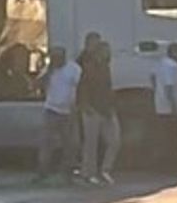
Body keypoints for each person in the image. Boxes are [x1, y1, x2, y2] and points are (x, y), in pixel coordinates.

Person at [37, 46, 82, 184]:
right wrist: (48, 72)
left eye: (58, 57)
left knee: (70, 143)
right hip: (51, 109)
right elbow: (38, 84)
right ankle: (43, 172)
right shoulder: (50, 70)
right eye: (54, 57)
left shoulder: (73, 69)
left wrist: (77, 106)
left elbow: (80, 87)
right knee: (47, 143)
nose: (56, 60)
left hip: (68, 111)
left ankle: (67, 172)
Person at [78, 40, 120, 185]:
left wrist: (111, 106)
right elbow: (82, 88)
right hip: (92, 110)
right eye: (105, 51)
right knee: (91, 143)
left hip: (106, 109)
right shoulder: (89, 68)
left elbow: (108, 89)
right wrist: (85, 106)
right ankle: (88, 173)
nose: (108, 54)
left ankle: (105, 169)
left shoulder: (106, 68)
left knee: (114, 140)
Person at [151, 42, 177, 170]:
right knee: (172, 139)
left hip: (159, 105)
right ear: (174, 52)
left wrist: (156, 93)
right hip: (169, 108)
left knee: (163, 138)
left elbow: (152, 78)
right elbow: (169, 88)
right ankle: (172, 165)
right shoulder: (172, 67)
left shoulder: (160, 63)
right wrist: (174, 107)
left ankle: (161, 164)